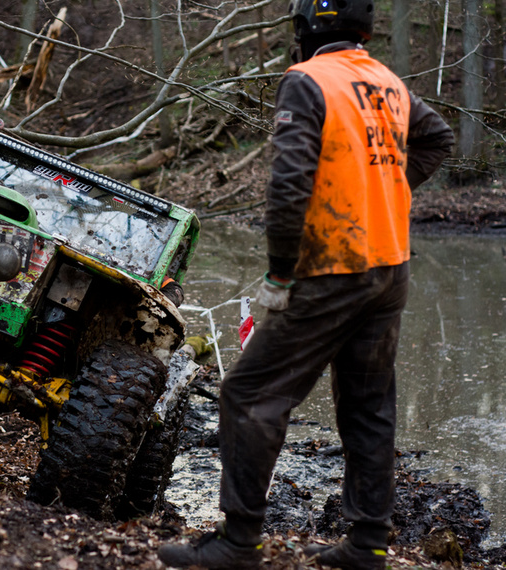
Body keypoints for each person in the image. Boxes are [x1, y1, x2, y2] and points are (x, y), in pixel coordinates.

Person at [158, 0, 454, 568]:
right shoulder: (388, 82)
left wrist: (279, 271)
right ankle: (368, 542)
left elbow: (288, 186)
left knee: (249, 395)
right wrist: (385, 193)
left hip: (333, 267)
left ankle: (239, 541)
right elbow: (435, 138)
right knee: (369, 407)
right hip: (390, 268)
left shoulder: (308, 80)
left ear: (306, 29)